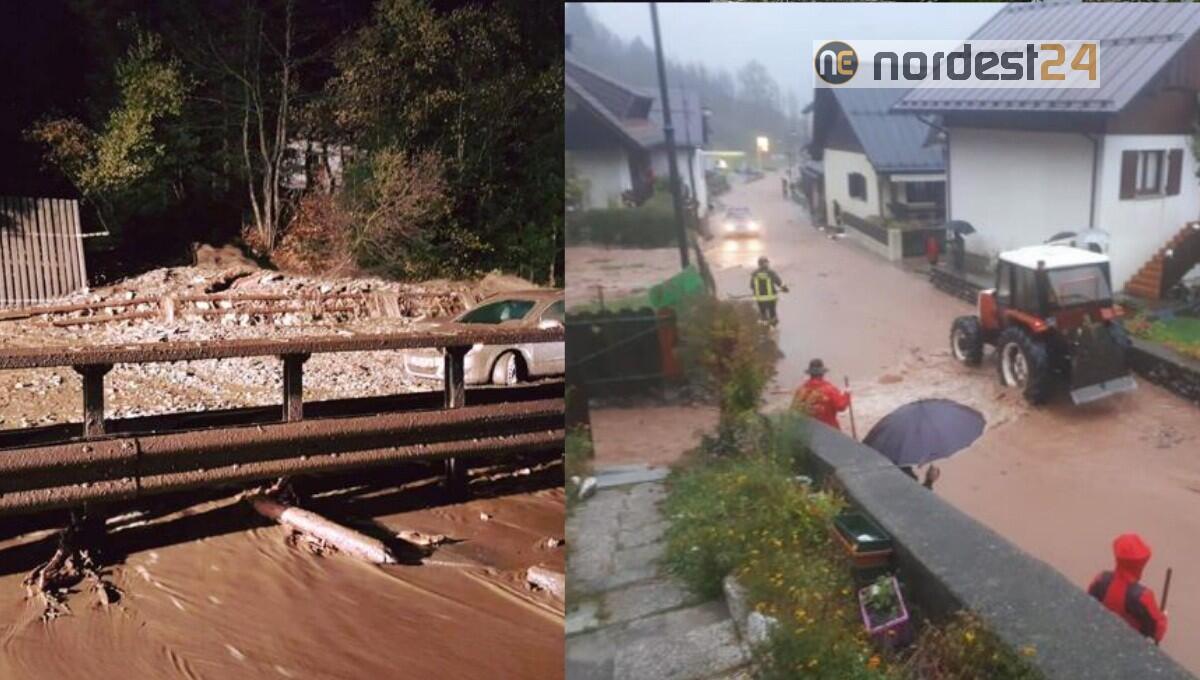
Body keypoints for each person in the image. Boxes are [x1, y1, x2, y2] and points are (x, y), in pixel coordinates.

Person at [1087, 533, 1168, 643]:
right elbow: (1158, 632)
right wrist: (1163, 616)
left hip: (1099, 633)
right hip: (1130, 643)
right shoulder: (1144, 597)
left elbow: (1088, 606)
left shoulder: (1101, 579)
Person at [791, 359, 851, 430]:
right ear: (822, 373)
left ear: (810, 374)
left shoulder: (801, 390)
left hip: (807, 432)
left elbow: (793, 411)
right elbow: (841, 406)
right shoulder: (829, 389)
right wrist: (847, 394)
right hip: (830, 430)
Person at [750, 256, 787, 326]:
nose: (767, 264)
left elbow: (751, 286)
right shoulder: (771, 272)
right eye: (767, 262)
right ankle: (773, 326)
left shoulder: (754, 273)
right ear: (766, 263)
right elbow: (778, 282)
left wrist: (758, 291)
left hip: (759, 298)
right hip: (771, 297)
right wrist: (784, 288)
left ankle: (764, 326)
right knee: (772, 312)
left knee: (762, 312)